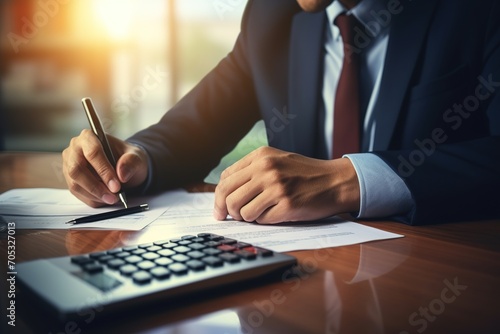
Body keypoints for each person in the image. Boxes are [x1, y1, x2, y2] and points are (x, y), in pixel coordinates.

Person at [62, 0, 500, 226]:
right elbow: (193, 128)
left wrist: (351, 180)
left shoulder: (476, 11)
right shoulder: (273, 17)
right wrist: (134, 157)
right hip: (305, 280)